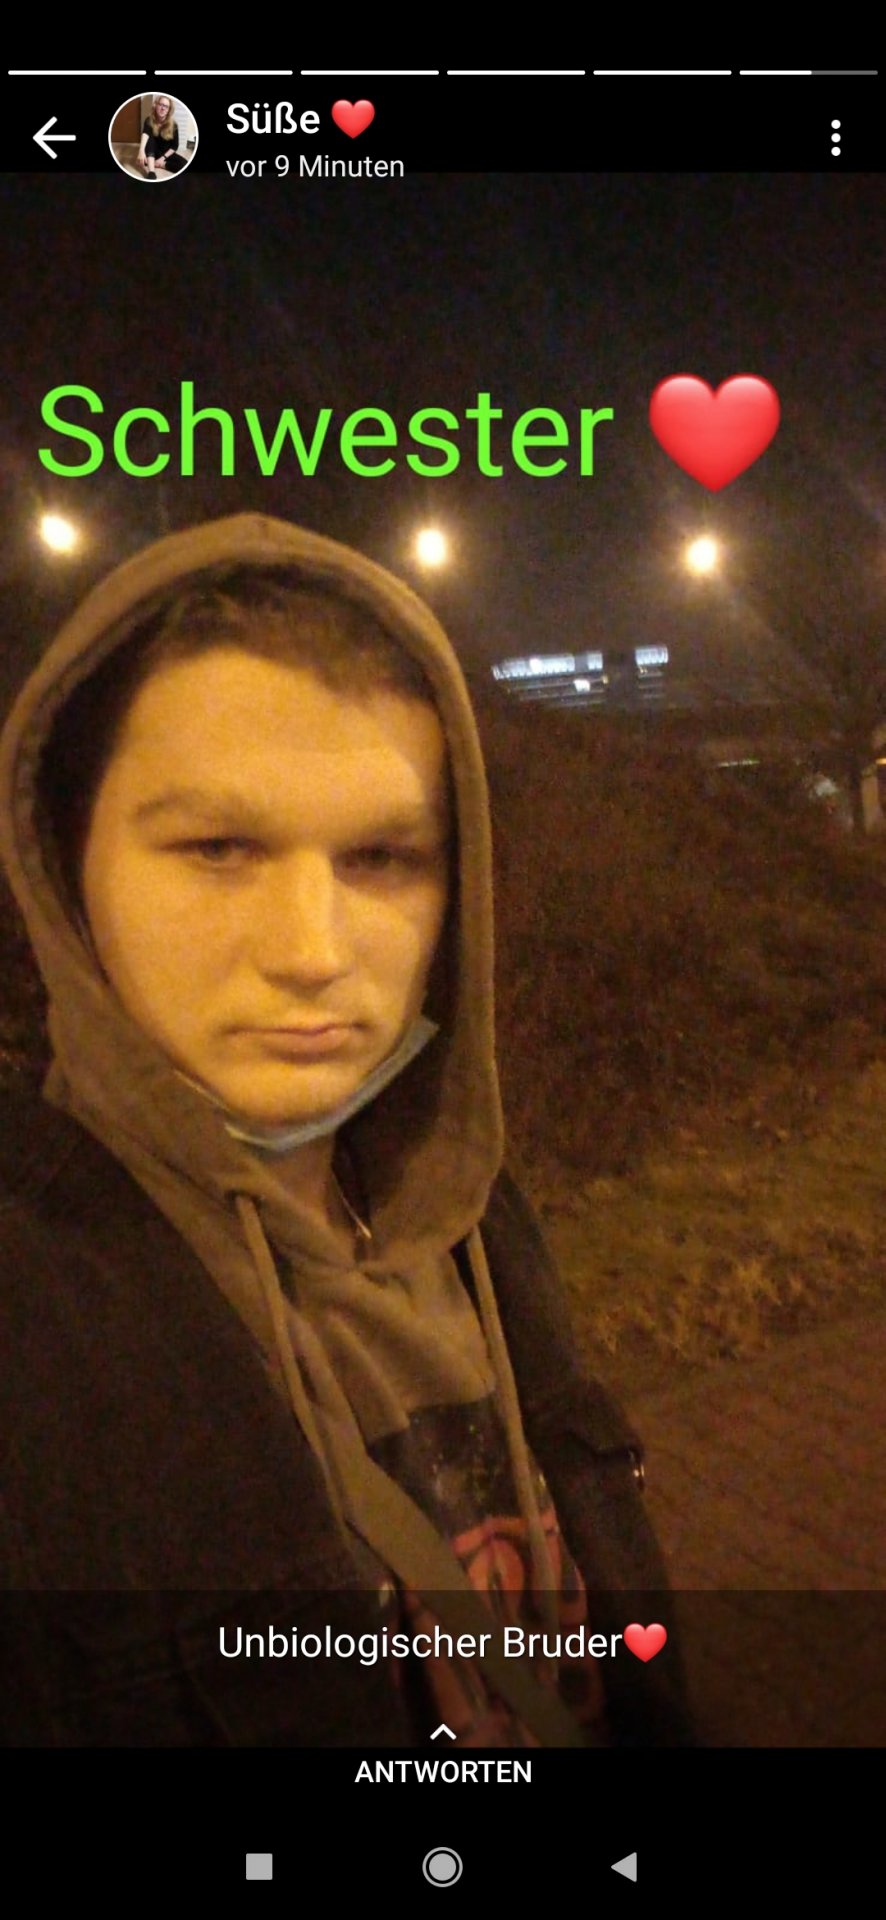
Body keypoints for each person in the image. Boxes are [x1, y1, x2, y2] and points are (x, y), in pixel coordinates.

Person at [0, 514, 690, 1747]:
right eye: (218, 848)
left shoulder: (479, 1214)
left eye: (381, 857)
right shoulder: (35, 1322)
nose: (312, 951)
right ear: (65, 867)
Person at [137, 95, 181, 179]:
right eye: (161, 104)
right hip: (151, 151)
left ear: (169, 110)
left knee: (184, 164)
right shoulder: (149, 120)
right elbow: (145, 134)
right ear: (156, 105)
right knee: (150, 138)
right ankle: (151, 172)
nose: (163, 108)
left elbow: (175, 146)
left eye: (166, 106)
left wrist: (162, 159)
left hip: (164, 153)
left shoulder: (174, 125)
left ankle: (159, 164)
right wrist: (141, 151)